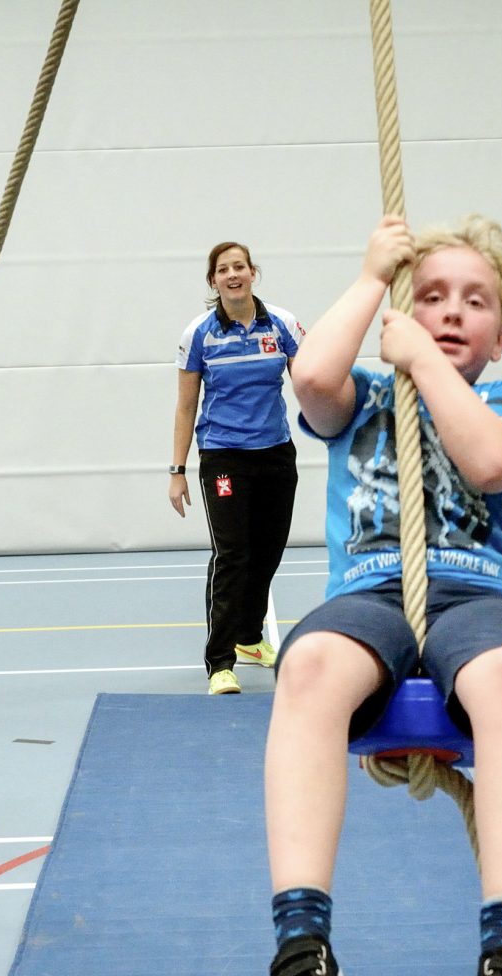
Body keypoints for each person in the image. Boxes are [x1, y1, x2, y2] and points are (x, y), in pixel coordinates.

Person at [263, 214, 502, 976]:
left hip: (481, 594)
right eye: (429, 298)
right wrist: (367, 279)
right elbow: (311, 373)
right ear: (398, 310)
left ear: (501, 336)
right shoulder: (361, 395)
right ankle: (302, 940)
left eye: (475, 302)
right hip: (370, 590)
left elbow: (491, 464)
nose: (452, 312)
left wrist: (424, 360)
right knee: (311, 665)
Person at [173, 242, 306, 696]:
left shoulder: (283, 324)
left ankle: (250, 639)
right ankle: (220, 661)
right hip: (224, 456)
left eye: (240, 267)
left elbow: (310, 382)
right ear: (213, 280)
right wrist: (177, 469)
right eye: (223, 269)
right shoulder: (199, 334)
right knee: (232, 555)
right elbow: (186, 404)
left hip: (275, 453)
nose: (233, 275)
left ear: (253, 273)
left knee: (267, 550)